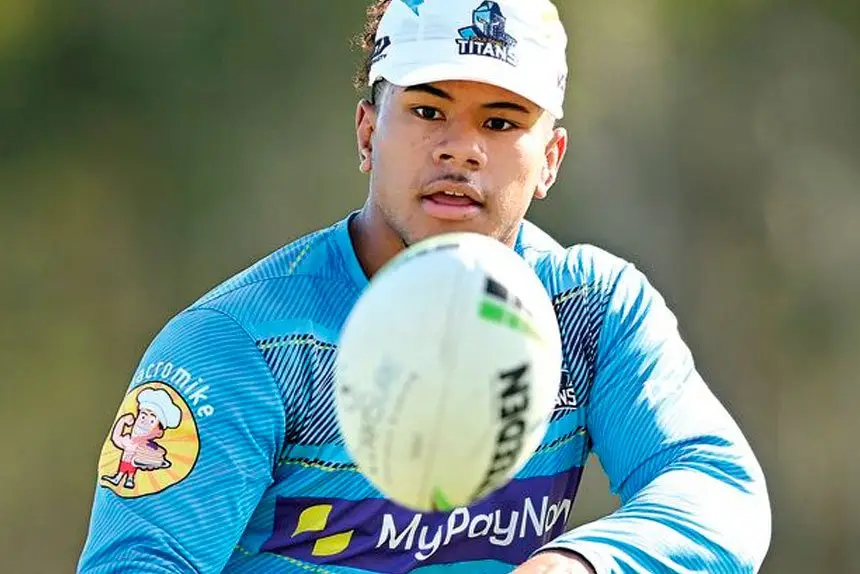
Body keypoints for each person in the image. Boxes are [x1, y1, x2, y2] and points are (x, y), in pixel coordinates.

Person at [77, 0, 772, 572]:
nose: (460, 148)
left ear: (551, 159)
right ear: (367, 132)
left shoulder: (590, 311)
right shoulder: (242, 345)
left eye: (500, 122)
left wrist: (583, 565)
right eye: (428, 111)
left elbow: (719, 489)